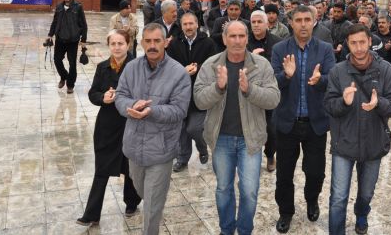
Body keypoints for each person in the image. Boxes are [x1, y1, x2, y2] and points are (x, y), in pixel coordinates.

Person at [194, 21, 280, 235]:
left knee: (249, 191)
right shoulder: (210, 65)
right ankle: (226, 229)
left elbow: (273, 99)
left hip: (250, 140)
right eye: (232, 36)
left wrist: (250, 90)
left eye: (242, 36)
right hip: (221, 138)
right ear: (224, 39)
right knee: (223, 188)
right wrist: (218, 87)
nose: (237, 40)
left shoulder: (261, 65)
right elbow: (199, 101)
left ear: (247, 38)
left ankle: (244, 230)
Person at [324, 24, 391, 235]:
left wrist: (379, 104)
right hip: (344, 143)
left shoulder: (385, 70)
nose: (358, 48)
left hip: (374, 142)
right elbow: (329, 105)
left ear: (370, 41)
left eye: (362, 42)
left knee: (366, 193)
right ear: (347, 45)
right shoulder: (337, 72)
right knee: (338, 197)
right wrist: (344, 101)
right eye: (353, 43)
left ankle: (361, 214)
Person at [115, 23, 191, 235]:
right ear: (141, 43)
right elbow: (120, 96)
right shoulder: (131, 68)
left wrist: (152, 111)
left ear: (166, 42)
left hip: (161, 149)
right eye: (148, 41)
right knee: (142, 190)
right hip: (133, 147)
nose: (152, 45)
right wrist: (130, 107)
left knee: (151, 207)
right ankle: (155, 201)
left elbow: (179, 110)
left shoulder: (179, 73)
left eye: (157, 41)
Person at [271, 5, 336, 233]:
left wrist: (320, 80)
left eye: (307, 19)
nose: (303, 24)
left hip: (315, 122)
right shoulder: (280, 49)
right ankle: (285, 212)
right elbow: (273, 82)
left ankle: (312, 200)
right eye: (298, 20)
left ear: (314, 21)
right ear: (291, 23)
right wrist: (286, 76)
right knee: (284, 173)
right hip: (287, 123)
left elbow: (332, 79)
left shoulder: (325, 49)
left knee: (315, 171)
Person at [77, 30, 142, 227]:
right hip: (106, 125)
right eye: (113, 44)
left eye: (120, 43)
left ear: (128, 44)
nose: (116, 47)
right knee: (101, 168)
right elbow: (93, 92)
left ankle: (132, 202)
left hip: (129, 123)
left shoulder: (138, 67)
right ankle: (92, 213)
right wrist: (102, 98)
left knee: (129, 166)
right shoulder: (103, 67)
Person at [167, 12, 217, 172]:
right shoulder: (174, 44)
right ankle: (183, 158)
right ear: (181, 27)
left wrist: (198, 69)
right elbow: (168, 66)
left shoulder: (208, 43)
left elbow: (213, 64)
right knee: (181, 128)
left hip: (199, 94)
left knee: (194, 128)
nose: (188, 27)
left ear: (197, 25)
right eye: (185, 24)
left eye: (191, 24)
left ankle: (202, 149)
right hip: (180, 95)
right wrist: (183, 71)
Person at [248, 10, 282, 172]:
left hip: (269, 91)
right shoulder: (244, 42)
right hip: (249, 91)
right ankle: (251, 157)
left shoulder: (277, 43)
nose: (255, 25)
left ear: (267, 24)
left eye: (259, 22)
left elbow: (280, 68)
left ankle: (270, 155)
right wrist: (251, 59)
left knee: (271, 128)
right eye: (253, 22)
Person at [47, 0, 88, 94]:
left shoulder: (78, 7)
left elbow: (84, 24)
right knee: (57, 60)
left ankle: (70, 85)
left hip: (73, 40)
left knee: (72, 63)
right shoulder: (59, 7)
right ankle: (64, 76)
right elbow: (55, 22)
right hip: (60, 39)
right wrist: (50, 35)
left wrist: (83, 40)